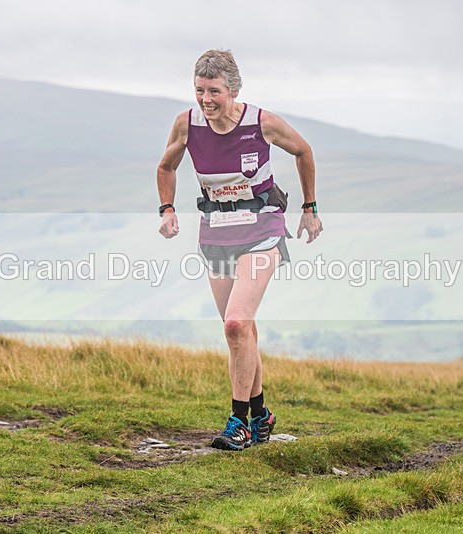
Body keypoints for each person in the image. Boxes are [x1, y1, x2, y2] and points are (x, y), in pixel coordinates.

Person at [157, 49, 322, 451]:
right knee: (241, 331)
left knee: (234, 323)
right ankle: (262, 413)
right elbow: (166, 167)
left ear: (233, 90)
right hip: (215, 231)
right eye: (199, 90)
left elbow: (303, 151)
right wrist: (166, 209)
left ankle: (240, 422)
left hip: (263, 227)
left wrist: (309, 208)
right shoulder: (187, 124)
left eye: (214, 91)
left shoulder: (261, 122)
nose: (205, 100)